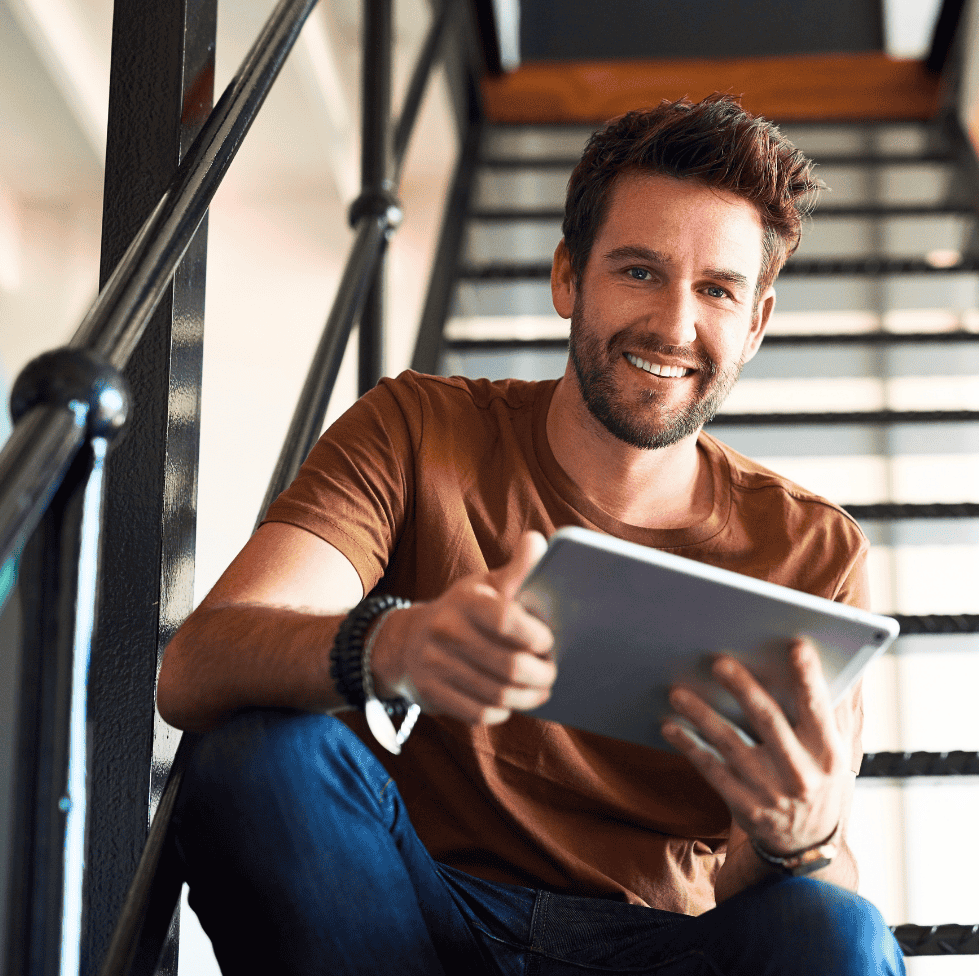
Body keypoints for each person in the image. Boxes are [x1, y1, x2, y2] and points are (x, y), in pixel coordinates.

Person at [159, 93, 905, 975]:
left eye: (716, 290)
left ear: (756, 323)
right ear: (566, 278)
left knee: (837, 929)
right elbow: (195, 667)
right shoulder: (416, 428)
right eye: (637, 271)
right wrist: (389, 644)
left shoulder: (812, 553)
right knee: (259, 753)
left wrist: (800, 839)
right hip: (410, 916)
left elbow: (786, 896)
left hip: (660, 949)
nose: (674, 324)